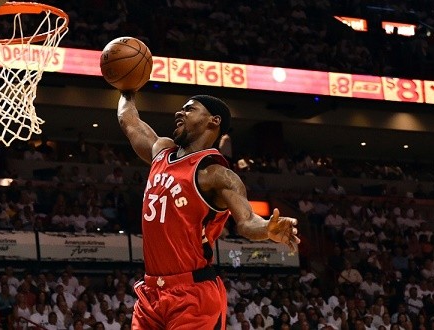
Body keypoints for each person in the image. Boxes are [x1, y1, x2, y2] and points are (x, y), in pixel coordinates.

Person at [117, 92, 299, 329]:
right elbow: (128, 121)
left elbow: (246, 221)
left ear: (214, 120)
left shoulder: (217, 175)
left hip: (193, 296)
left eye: (189, 109)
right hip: (151, 293)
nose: (179, 113)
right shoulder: (161, 152)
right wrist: (127, 90)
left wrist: (267, 228)